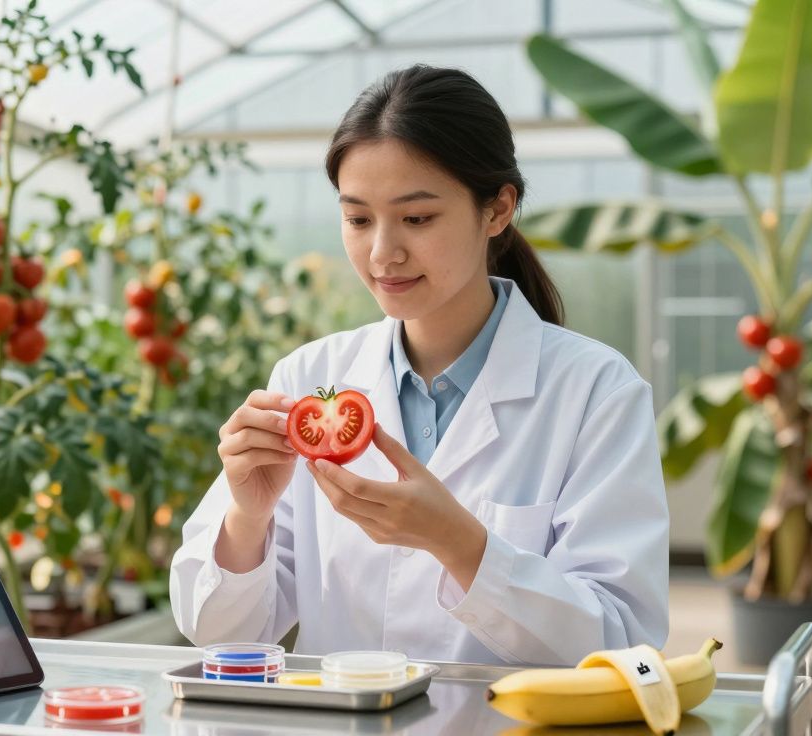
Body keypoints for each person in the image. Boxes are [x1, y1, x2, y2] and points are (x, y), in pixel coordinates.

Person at [169, 64, 668, 666]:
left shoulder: (596, 393)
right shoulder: (308, 380)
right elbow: (220, 632)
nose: (383, 252)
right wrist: (248, 517)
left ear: (498, 209)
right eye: (357, 219)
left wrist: (458, 543)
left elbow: (625, 645)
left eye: (417, 218)